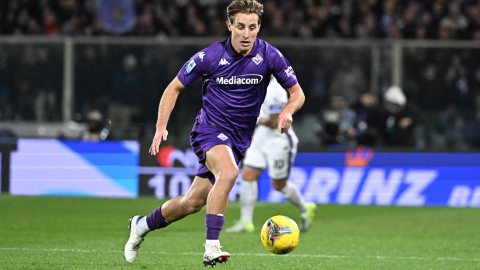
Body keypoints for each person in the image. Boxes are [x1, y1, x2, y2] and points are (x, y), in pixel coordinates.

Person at [123, 0, 305, 267]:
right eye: (240, 27)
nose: (246, 33)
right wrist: (161, 125)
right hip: (208, 130)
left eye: (252, 27)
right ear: (229, 25)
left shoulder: (269, 55)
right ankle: (212, 247)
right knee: (229, 173)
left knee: (191, 202)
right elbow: (174, 88)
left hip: (239, 140)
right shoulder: (209, 56)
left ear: (259, 27)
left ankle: (140, 226)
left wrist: (288, 111)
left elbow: (297, 93)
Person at [226, 76, 316, 234]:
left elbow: (276, 122)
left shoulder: (276, 90)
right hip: (261, 138)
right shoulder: (254, 85)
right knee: (247, 175)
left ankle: (305, 208)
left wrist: (253, 117)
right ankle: (246, 222)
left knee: (278, 184)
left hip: (279, 141)